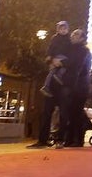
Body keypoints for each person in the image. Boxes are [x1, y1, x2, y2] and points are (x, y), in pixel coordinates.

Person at [29, 20, 71, 149]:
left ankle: (60, 139)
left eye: (64, 28)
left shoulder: (69, 42)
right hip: (53, 83)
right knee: (47, 111)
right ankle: (43, 139)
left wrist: (62, 63)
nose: (62, 30)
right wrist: (51, 59)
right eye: (60, 28)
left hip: (64, 84)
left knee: (63, 112)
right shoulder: (54, 39)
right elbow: (50, 51)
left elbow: (74, 62)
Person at [58, 28, 92, 147]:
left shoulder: (84, 51)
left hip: (79, 86)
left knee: (76, 112)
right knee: (70, 112)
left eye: (76, 34)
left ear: (82, 38)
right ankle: (70, 139)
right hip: (71, 84)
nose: (73, 35)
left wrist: (62, 63)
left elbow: (77, 65)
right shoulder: (71, 49)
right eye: (73, 33)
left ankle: (77, 139)